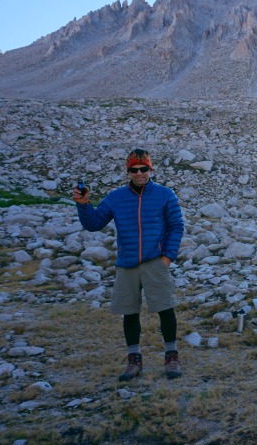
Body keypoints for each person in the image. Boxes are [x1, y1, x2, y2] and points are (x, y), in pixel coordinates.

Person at [73, 149, 185, 381]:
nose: (139, 173)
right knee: (130, 313)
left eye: (143, 168)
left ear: (150, 169)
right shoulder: (116, 197)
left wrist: (167, 258)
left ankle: (171, 356)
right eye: (134, 169)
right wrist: (84, 204)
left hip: (155, 262)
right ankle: (134, 360)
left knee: (165, 309)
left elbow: (176, 226)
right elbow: (94, 224)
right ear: (128, 171)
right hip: (127, 264)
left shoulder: (165, 195)